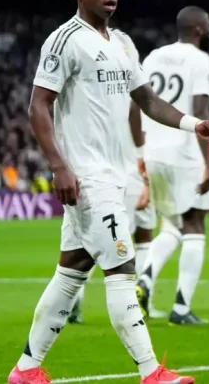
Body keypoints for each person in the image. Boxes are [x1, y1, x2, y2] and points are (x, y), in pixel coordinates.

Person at [11, 0, 209, 384]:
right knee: (123, 271)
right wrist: (59, 166)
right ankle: (151, 371)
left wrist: (194, 124)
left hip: (115, 173)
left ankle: (26, 370)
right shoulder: (65, 40)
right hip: (86, 177)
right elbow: (38, 105)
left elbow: (148, 101)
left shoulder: (123, 42)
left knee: (70, 273)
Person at [136, 6, 209, 326]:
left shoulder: (153, 57)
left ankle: (144, 279)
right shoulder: (201, 61)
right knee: (195, 225)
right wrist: (208, 164)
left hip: (153, 150)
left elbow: (138, 104)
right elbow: (201, 113)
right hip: (185, 152)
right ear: (198, 29)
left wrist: (140, 151)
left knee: (172, 226)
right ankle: (181, 309)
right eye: (207, 25)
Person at [67, 33, 157, 324]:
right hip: (128, 170)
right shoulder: (127, 87)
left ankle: (143, 296)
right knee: (119, 243)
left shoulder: (103, 84)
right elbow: (136, 111)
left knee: (140, 234)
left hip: (115, 169)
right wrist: (142, 158)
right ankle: (133, 304)